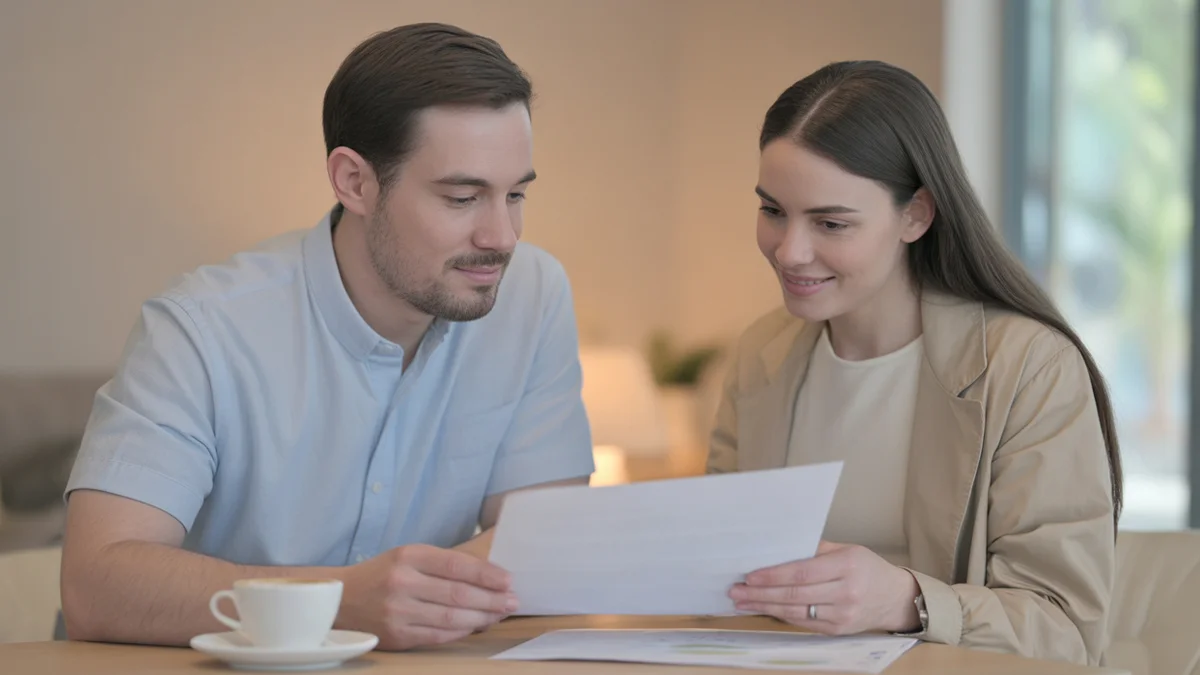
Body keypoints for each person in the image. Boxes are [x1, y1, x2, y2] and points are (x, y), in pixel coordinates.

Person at [60, 22, 595, 651]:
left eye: (516, 194)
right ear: (354, 182)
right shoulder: (203, 327)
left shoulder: (532, 295)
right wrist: (342, 601)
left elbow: (546, 544)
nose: (502, 237)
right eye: (461, 197)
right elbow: (96, 584)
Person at [708, 61, 1119, 665]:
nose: (789, 251)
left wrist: (908, 601)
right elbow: (716, 563)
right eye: (773, 211)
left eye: (830, 222)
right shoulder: (760, 354)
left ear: (916, 215)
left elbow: (1065, 630)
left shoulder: (1030, 369)